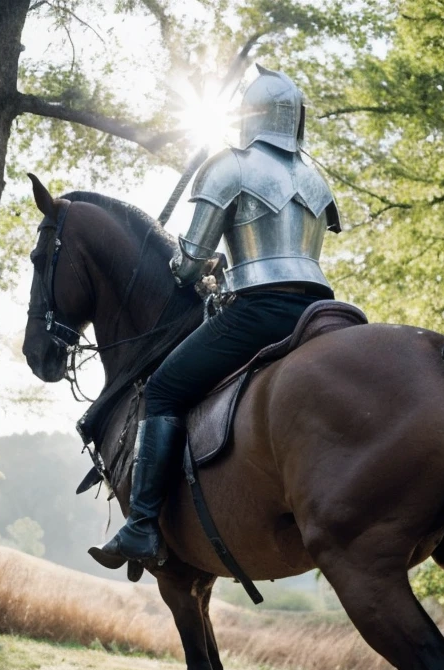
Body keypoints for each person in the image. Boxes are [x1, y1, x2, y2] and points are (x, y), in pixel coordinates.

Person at [89, 65, 340, 572]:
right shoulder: (314, 176)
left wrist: (195, 267)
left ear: (250, 116)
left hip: (255, 310)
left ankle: (141, 528)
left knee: (162, 389)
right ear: (296, 120)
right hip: (317, 310)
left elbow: (188, 261)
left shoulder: (232, 166)